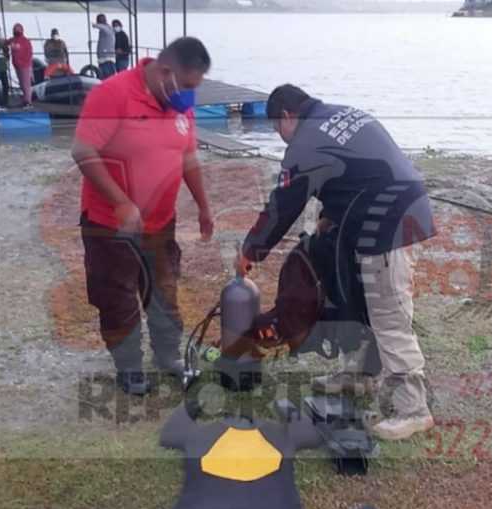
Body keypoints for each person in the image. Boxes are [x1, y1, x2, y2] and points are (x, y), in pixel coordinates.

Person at [236, 85, 438, 440]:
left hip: (390, 222)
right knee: (360, 303)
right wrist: (330, 214)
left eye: (275, 128)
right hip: (392, 209)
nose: (279, 138)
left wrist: (251, 249)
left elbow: (283, 205)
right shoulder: (339, 114)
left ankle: (413, 408)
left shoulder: (304, 143)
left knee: (389, 314)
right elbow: (354, 171)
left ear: (286, 116)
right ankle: (359, 376)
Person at [71, 37, 214, 395]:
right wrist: (120, 201)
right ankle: (129, 367)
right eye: (188, 86)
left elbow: (188, 158)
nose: (190, 97)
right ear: (165, 73)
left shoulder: (181, 106)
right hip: (110, 225)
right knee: (117, 296)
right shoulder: (112, 94)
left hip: (161, 225)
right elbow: (83, 150)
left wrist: (204, 206)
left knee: (164, 293)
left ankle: (167, 357)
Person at [8, 23, 33, 108]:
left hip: (25, 65)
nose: (16, 30)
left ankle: (29, 102)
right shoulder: (12, 40)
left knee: (26, 84)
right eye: (15, 29)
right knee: (21, 84)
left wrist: (26, 62)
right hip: (16, 65)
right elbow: (4, 43)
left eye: (18, 29)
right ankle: (25, 100)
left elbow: (29, 53)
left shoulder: (25, 41)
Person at [92, 14, 117, 79]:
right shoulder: (104, 30)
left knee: (109, 78)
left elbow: (104, 28)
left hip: (107, 59)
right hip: (102, 59)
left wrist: (96, 25)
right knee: (102, 78)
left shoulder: (108, 29)